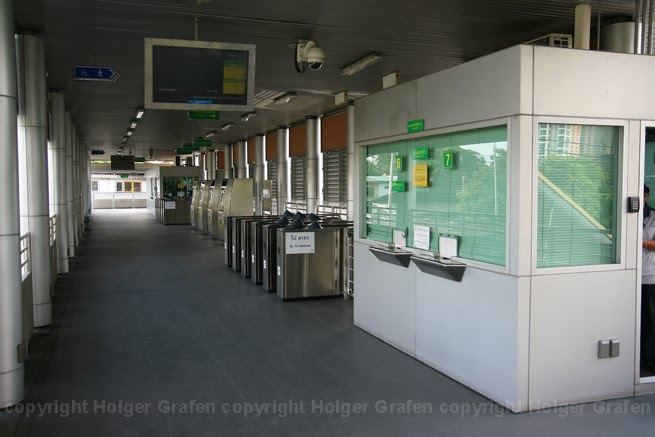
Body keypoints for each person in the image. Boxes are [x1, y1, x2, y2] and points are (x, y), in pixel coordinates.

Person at [642, 185, 655, 371]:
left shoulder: (653, 216)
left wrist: (637, 241)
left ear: (645, 196)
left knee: (650, 320)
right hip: (629, 276)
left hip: (650, 276)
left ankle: (650, 358)